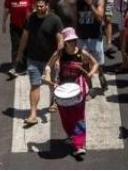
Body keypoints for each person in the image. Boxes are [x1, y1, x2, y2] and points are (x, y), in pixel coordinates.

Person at [45, 27, 100, 159]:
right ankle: (73, 136)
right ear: (65, 42)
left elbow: (95, 63)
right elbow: (48, 65)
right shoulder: (60, 53)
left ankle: (79, 145)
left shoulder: (81, 53)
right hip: (63, 89)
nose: (73, 43)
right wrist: (47, 76)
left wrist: (91, 73)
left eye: (74, 40)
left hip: (78, 89)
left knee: (78, 117)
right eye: (69, 41)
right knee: (66, 118)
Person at [16, 0, 64, 128]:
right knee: (35, 85)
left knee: (52, 83)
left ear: (47, 6)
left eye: (41, 6)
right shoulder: (30, 18)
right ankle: (33, 114)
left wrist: (59, 57)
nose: (39, 8)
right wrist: (20, 54)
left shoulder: (55, 20)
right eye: (36, 6)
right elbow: (25, 37)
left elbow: (60, 40)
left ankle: (54, 100)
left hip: (51, 60)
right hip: (33, 59)